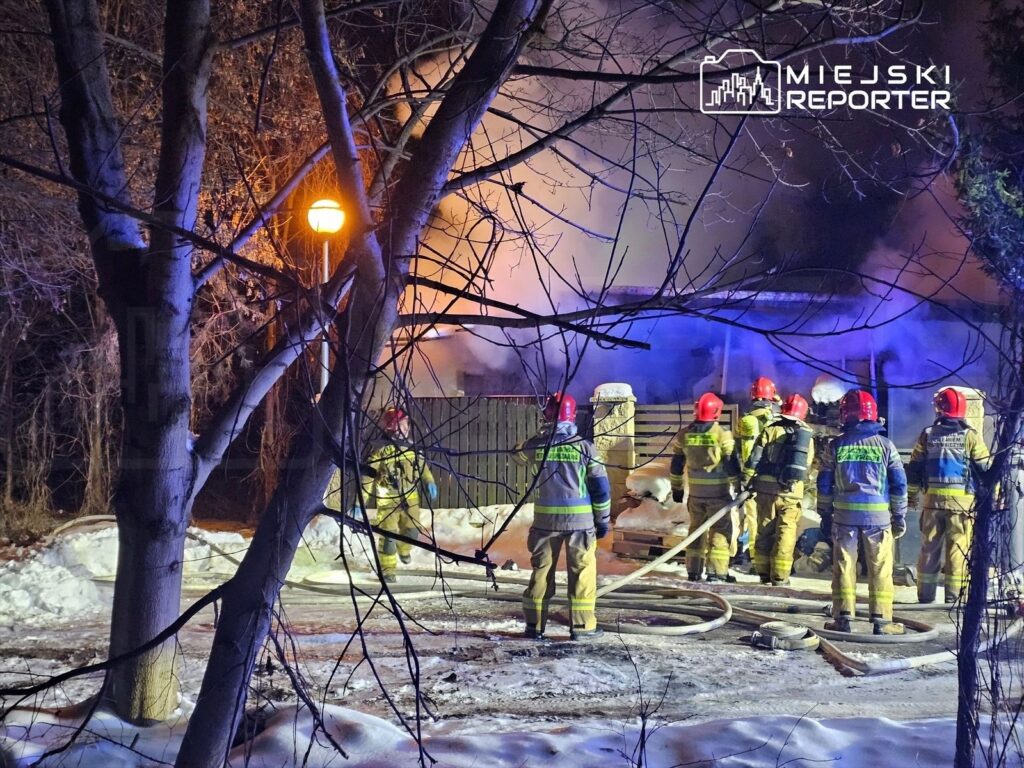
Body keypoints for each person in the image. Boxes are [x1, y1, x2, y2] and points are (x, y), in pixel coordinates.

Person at [516, 392, 611, 641]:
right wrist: (602, 520)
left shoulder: (538, 446)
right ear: (572, 416)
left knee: (541, 572)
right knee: (582, 573)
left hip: (546, 523)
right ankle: (582, 627)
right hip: (580, 524)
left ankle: (534, 626)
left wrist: (538, 436)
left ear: (549, 415)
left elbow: (516, 455)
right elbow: (600, 488)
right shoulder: (585, 447)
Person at [817, 390, 908, 635]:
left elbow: (823, 483)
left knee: (844, 566)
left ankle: (843, 618)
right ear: (873, 415)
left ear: (846, 415)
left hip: (844, 518)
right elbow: (899, 485)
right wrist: (899, 515)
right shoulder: (886, 446)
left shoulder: (835, 446)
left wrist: (824, 513)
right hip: (878, 520)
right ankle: (882, 620)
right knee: (880, 568)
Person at [907, 387, 991, 604]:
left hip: (932, 502)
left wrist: (910, 495)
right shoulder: (970, 436)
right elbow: (986, 469)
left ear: (939, 409)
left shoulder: (927, 434)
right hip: (961, 504)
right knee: (958, 551)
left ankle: (925, 596)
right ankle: (953, 599)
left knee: (929, 548)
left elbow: (915, 468)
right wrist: (995, 495)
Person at [358, 406, 437, 583]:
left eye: (405, 424)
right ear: (390, 427)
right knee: (389, 538)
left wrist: (429, 481)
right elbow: (368, 478)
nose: (404, 428)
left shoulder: (412, 448)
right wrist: (359, 503)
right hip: (388, 504)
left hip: (411, 501)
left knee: (412, 532)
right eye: (400, 425)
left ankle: (404, 549)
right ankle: (387, 570)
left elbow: (422, 467)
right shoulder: (380, 451)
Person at [745, 393, 815, 586]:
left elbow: (754, 458)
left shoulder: (769, 429)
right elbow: (806, 464)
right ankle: (780, 576)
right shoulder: (805, 435)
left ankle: (763, 574)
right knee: (786, 532)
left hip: (766, 490)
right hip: (791, 492)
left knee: (764, 531)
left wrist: (746, 481)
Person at [670, 392, 739, 582]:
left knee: (696, 530)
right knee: (720, 531)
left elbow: (676, 464)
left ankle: (693, 571)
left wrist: (677, 488)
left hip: (696, 494)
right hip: (718, 494)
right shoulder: (722, 434)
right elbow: (731, 462)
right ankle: (716, 572)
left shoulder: (685, 434)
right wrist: (739, 485)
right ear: (717, 411)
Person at [734, 377, 782, 565]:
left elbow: (737, 450)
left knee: (749, 516)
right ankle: (759, 559)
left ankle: (746, 552)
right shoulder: (774, 420)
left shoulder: (745, 420)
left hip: (748, 475)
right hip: (771, 476)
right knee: (765, 518)